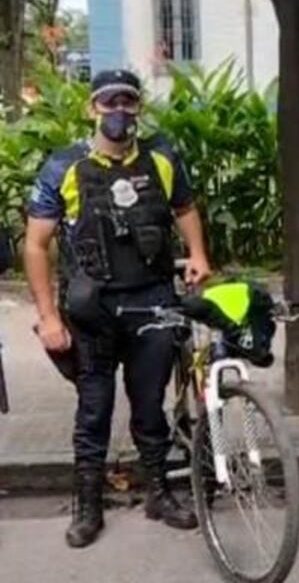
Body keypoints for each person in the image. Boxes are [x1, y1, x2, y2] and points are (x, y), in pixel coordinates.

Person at [23, 69, 212, 548]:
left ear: (139, 108)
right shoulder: (63, 166)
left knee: (150, 406)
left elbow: (185, 208)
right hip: (94, 308)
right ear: (93, 108)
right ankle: (88, 504)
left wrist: (199, 255)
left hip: (151, 301)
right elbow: (37, 244)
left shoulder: (162, 159)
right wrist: (48, 316)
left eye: (128, 101)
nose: (119, 112)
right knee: (94, 411)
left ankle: (158, 493)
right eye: (109, 103)